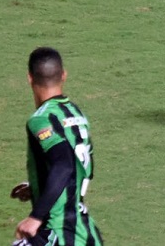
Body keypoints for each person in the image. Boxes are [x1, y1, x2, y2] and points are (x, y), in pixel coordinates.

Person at [11, 47, 103, 246]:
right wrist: (39, 185)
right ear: (63, 75)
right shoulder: (76, 114)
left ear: (29, 78)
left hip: (58, 234)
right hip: (84, 232)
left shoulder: (41, 119)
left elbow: (63, 165)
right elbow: (76, 167)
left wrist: (35, 217)